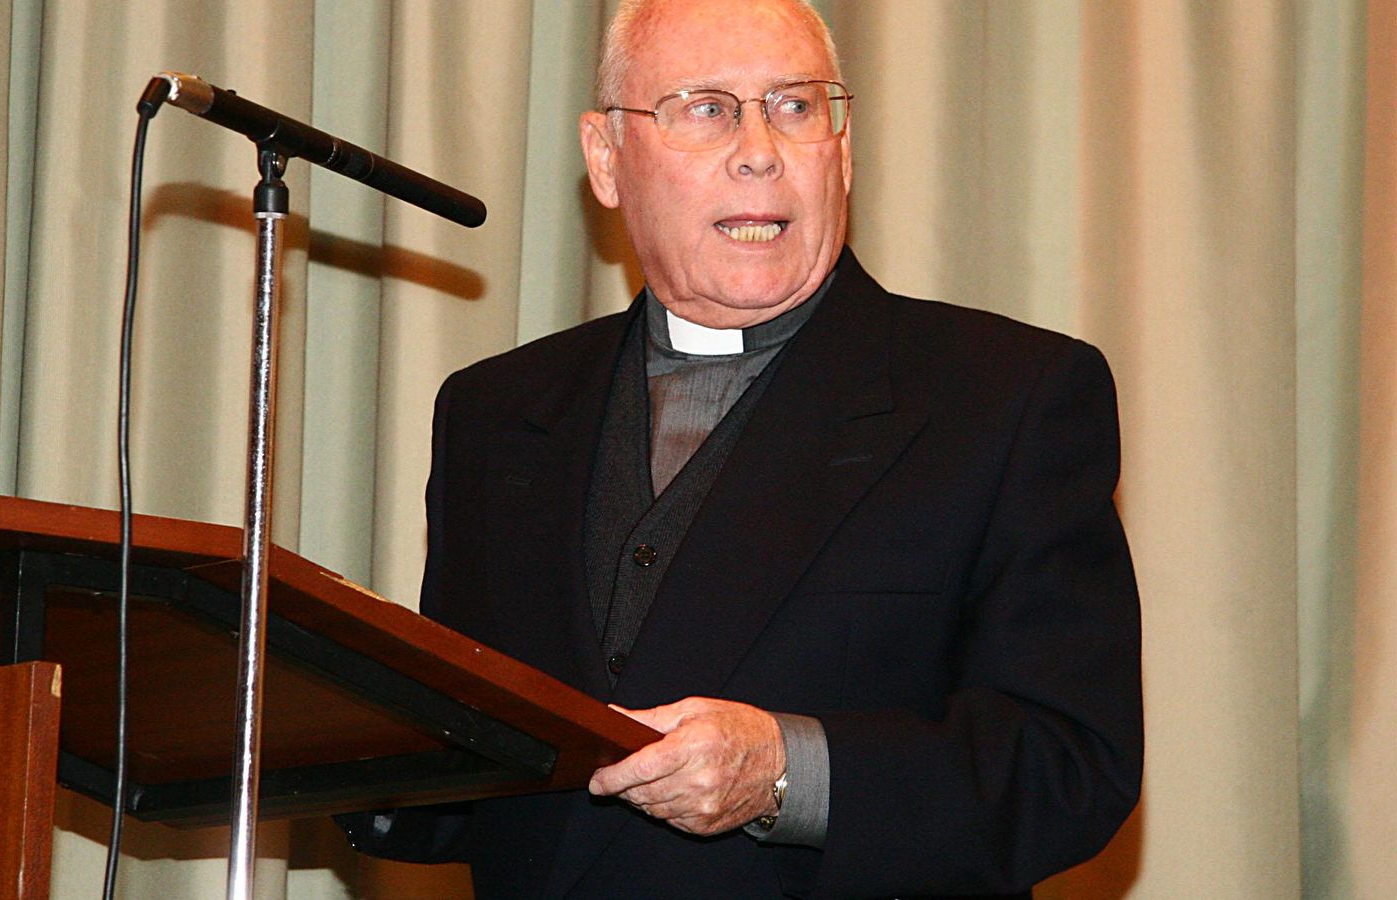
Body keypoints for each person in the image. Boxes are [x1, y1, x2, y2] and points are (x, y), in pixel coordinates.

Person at [341, 0, 1142, 896]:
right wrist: (313, 734)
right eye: (707, 108)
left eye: (796, 107)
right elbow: (476, 761)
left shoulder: (1006, 397)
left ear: (843, 147)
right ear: (606, 159)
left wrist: (786, 772)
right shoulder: (497, 412)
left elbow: (1071, 766)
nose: (760, 148)